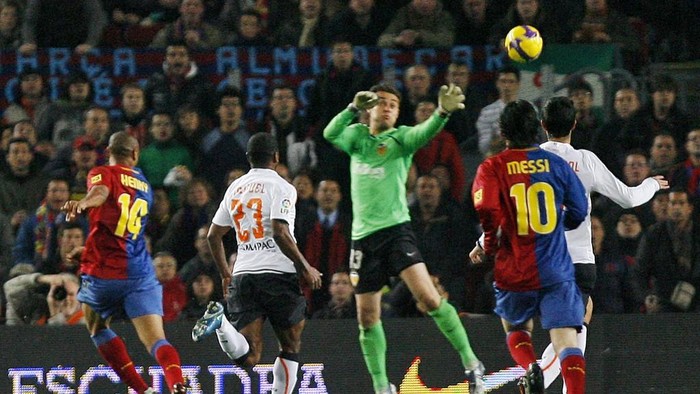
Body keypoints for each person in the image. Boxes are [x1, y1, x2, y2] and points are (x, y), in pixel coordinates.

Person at [323, 83, 485, 394]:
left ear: (398, 113)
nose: (386, 108)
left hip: (397, 232)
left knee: (429, 300)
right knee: (367, 317)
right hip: (362, 240)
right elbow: (330, 134)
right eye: (380, 102)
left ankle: (472, 363)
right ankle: (383, 386)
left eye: (392, 105)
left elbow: (424, 132)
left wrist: (442, 112)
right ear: (369, 108)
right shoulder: (356, 137)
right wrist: (350, 109)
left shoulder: (399, 139)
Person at [522, 97, 666, 391]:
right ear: (574, 124)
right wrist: (651, 183)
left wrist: (484, 242)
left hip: (539, 261)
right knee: (572, 327)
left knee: (580, 317)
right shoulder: (585, 160)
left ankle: (550, 381)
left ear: (543, 126)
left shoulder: (527, 161)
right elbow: (628, 198)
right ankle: (538, 378)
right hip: (577, 261)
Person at [470, 99, 589, 394]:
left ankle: (530, 367)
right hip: (556, 267)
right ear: (538, 128)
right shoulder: (557, 165)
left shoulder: (491, 168)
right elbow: (579, 209)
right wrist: (558, 227)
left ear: (503, 131)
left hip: (515, 266)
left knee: (516, 327)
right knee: (566, 342)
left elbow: (487, 212)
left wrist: (487, 246)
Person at [190, 132, 322, 394]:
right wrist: (305, 267)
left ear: (249, 158)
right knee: (290, 345)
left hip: (243, 274)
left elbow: (214, 235)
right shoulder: (283, 187)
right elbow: (280, 232)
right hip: (278, 274)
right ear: (276, 156)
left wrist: (226, 274)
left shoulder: (235, 188)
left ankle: (222, 324)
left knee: (249, 357)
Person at [61, 131, 187, 394]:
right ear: (135, 154)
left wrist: (83, 204)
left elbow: (100, 192)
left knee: (97, 328)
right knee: (156, 340)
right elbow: (121, 231)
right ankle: (177, 383)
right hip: (139, 272)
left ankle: (143, 391)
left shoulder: (102, 172)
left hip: (103, 275)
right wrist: (86, 249)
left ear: (108, 152)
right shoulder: (144, 184)